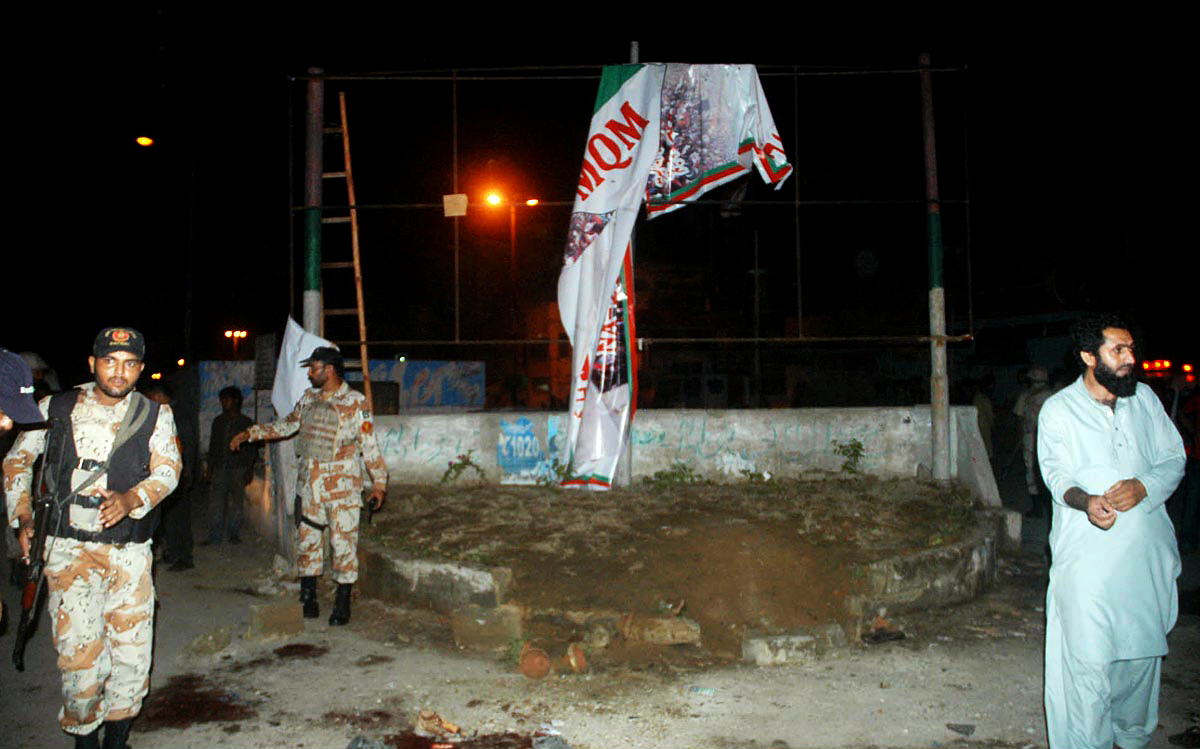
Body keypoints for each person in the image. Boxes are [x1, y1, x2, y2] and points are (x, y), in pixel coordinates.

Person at [3, 327, 180, 749]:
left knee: (132, 657)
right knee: (80, 659)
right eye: (110, 362)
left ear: (140, 368)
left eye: (130, 364)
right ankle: (85, 738)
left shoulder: (154, 414)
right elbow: (17, 461)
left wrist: (133, 497)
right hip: (68, 551)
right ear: (92, 363)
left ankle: (117, 740)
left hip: (129, 554)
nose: (119, 373)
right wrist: (23, 517)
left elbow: (169, 470)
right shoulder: (55, 407)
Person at [1037, 312, 1185, 749]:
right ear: (1088, 356)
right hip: (1088, 563)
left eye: (1131, 349)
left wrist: (1145, 486)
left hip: (1144, 560)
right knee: (1088, 663)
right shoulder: (1058, 409)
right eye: (1117, 350)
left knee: (1139, 661)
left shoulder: (1145, 401)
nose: (1129, 359)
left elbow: (1173, 458)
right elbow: (1056, 474)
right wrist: (1086, 502)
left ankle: (1133, 739)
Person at [230, 346, 386, 625]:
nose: (309, 374)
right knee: (309, 543)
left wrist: (379, 485)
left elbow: (369, 447)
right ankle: (309, 596)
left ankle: (342, 603)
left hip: (342, 491)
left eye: (313, 368)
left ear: (329, 370)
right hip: (310, 487)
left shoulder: (355, 403)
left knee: (343, 545)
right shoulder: (309, 400)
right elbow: (287, 426)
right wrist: (252, 433)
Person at [144, 381, 197, 570]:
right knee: (169, 518)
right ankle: (173, 553)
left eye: (151, 398)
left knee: (178, 519)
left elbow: (187, 446)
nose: (150, 402)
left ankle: (183, 557)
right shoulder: (171, 413)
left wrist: (186, 472)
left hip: (178, 475)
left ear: (159, 396)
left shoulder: (177, 415)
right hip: (173, 473)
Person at [203, 385, 255, 546]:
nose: (223, 403)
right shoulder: (218, 421)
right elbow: (213, 446)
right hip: (220, 466)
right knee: (216, 504)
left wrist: (249, 469)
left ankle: (233, 533)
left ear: (236, 401)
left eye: (226, 400)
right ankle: (215, 535)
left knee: (236, 504)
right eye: (222, 400)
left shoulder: (245, 422)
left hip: (238, 468)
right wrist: (209, 468)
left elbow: (252, 449)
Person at [1019, 366, 1053, 518]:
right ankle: (1045, 507)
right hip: (1047, 439)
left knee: (1032, 471)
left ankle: (1038, 507)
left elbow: (1019, 418)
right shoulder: (1053, 396)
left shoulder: (1026, 396)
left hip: (1032, 437)